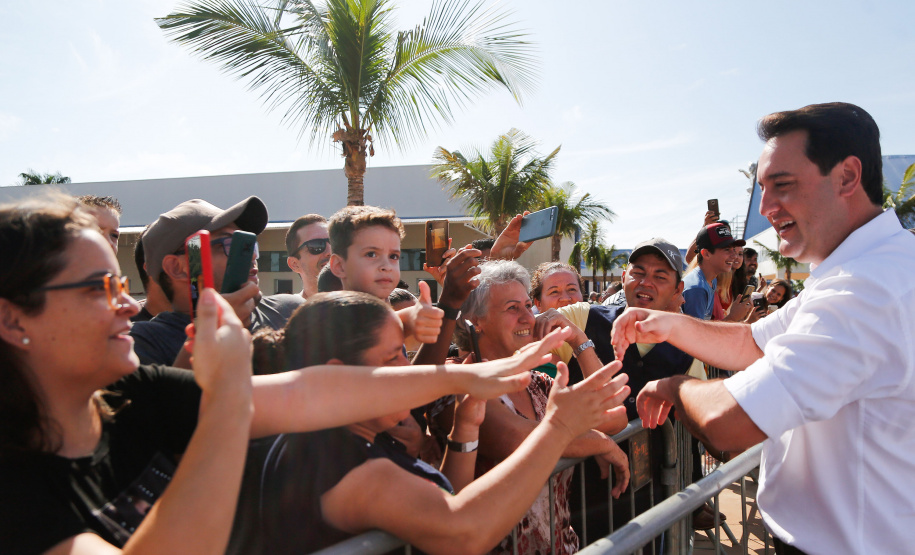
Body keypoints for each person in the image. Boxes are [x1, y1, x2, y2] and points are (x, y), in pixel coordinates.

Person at [0, 192, 574, 555]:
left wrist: (466, 379)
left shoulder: (135, 397)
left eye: (122, 285)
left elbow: (313, 390)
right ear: (12, 316)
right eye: (102, 288)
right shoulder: (16, 483)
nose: (127, 304)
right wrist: (227, 396)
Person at [612, 102, 915, 555]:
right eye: (762, 190)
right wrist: (669, 324)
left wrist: (674, 387)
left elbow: (727, 423)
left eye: (783, 186)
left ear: (848, 177)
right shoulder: (861, 270)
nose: (766, 208)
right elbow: (753, 341)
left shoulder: (865, 288)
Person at [244, 291, 630, 555]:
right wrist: (558, 428)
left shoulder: (360, 437)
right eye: (394, 357)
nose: (409, 371)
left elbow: (448, 498)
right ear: (338, 374)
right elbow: (461, 533)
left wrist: (464, 433)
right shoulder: (335, 458)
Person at [457, 260, 629, 555]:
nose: (529, 318)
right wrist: (601, 444)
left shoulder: (536, 382)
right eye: (513, 308)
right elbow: (519, 438)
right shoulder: (463, 385)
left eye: (528, 306)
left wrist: (578, 338)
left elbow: (615, 414)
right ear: (476, 321)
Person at [129, 197, 304, 365]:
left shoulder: (290, 311)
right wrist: (212, 328)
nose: (251, 255)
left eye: (248, 242)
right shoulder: (141, 343)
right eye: (229, 244)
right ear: (177, 267)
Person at [682, 222, 745, 320]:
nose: (734, 256)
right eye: (727, 249)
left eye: (734, 249)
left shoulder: (711, 280)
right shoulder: (697, 289)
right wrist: (732, 318)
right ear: (706, 254)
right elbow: (696, 334)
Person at [284, 214, 331, 299]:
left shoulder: (359, 308)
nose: (330, 252)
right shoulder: (288, 311)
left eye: (334, 242)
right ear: (294, 264)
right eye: (317, 246)